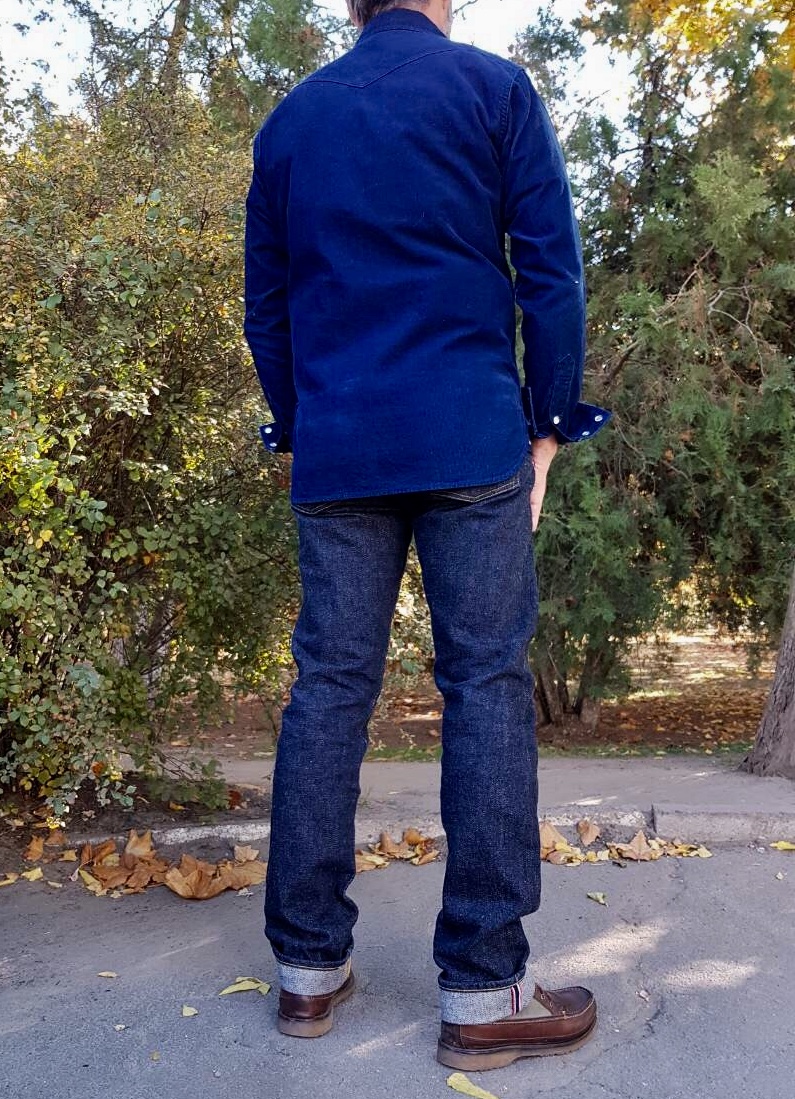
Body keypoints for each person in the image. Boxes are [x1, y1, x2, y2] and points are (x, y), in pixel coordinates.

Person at [244, 0, 610, 1071]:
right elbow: (550, 274)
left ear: (349, 5)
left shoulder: (293, 121)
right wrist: (548, 426)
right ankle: (485, 993)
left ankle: (307, 971)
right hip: (467, 434)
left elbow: (268, 305)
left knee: (328, 690)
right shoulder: (493, 91)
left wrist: (301, 430)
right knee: (486, 686)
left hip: (341, 446)